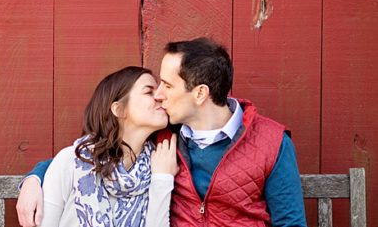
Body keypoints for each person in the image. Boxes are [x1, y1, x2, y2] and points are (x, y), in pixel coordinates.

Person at [16, 37, 307, 227]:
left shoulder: (271, 143)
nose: (159, 95)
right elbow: (87, 155)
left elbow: (290, 223)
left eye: (167, 85)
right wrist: (34, 178)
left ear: (200, 93)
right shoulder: (164, 139)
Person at [39, 66, 178, 227]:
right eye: (149, 92)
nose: (160, 96)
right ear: (118, 109)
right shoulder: (72, 162)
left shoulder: (160, 165)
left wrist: (161, 181)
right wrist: (33, 178)